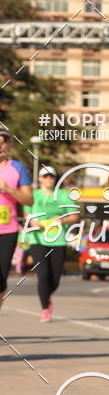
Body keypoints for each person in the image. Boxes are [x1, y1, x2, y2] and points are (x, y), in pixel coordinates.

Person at [22, 166, 78, 321]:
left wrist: (62, 219)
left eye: (51, 177)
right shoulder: (34, 195)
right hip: (38, 240)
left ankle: (47, 295)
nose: (48, 179)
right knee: (43, 274)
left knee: (55, 278)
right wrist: (32, 220)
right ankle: (45, 309)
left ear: (54, 179)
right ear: (39, 179)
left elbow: (74, 216)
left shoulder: (62, 195)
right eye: (45, 176)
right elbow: (26, 212)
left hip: (58, 240)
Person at [0, 130, 33, 314]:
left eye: (3, 141)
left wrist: (8, 189)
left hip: (7, 230)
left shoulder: (17, 168)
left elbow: (29, 199)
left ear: (8, 145)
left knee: (1, 280)